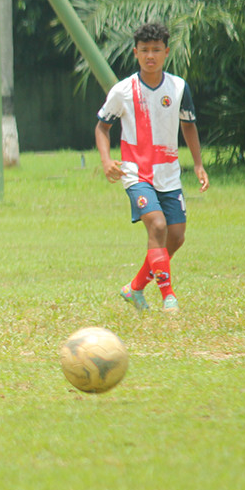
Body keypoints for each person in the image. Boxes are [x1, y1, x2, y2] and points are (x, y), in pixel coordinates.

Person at [95, 21, 209, 314]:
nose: (150, 56)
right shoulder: (123, 91)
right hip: (136, 173)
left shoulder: (179, 87)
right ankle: (168, 297)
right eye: (144, 50)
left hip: (169, 173)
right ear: (135, 53)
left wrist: (198, 164)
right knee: (157, 226)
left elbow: (189, 126)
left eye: (156, 50)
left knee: (176, 236)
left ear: (166, 52)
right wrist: (107, 161)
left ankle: (134, 288)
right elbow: (102, 128)